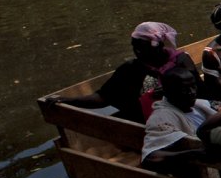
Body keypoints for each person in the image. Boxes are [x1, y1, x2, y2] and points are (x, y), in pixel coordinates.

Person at [44, 22, 198, 123]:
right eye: (134, 47)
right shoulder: (131, 68)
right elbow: (103, 97)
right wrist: (67, 101)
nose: (137, 51)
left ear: (157, 46)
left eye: (141, 47)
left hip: (185, 118)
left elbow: (200, 92)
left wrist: (170, 92)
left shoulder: (180, 61)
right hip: (150, 123)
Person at [141, 66, 215, 174]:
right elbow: (151, 157)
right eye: (184, 89)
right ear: (167, 92)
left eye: (193, 86)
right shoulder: (162, 118)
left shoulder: (200, 105)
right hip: (200, 172)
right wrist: (193, 154)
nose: (192, 92)